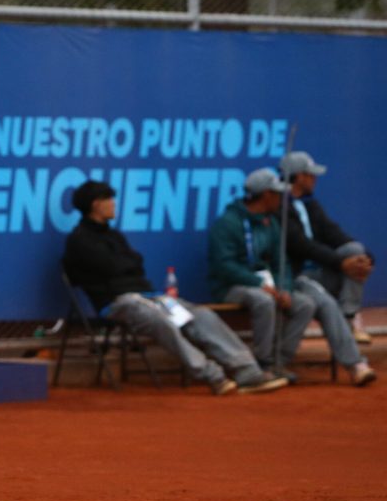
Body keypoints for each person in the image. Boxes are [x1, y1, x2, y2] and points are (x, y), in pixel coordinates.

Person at [62, 180, 286, 395]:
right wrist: (124, 265)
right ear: (95, 205)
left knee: (200, 316)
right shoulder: (79, 240)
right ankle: (213, 376)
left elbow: (133, 263)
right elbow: (114, 266)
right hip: (118, 302)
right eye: (109, 199)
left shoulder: (114, 236)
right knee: (161, 321)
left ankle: (247, 371)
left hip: (150, 297)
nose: (114, 204)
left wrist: (125, 265)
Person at [207, 169, 316, 380]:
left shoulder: (271, 223)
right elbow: (224, 266)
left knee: (305, 304)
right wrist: (258, 283)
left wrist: (283, 287)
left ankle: (279, 362)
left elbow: (280, 262)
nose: (281, 198)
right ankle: (262, 364)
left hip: (267, 285)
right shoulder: (227, 224)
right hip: (230, 287)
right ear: (266, 194)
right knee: (263, 300)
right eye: (277, 193)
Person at [282, 154, 377, 386]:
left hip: (320, 275)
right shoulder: (280, 208)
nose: (315, 178)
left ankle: (349, 315)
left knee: (354, 250)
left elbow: (333, 233)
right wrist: (340, 263)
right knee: (326, 303)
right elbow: (301, 245)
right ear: (299, 176)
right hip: (294, 278)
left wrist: (364, 257)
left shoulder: (310, 204)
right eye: (310, 173)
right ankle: (357, 365)